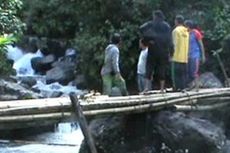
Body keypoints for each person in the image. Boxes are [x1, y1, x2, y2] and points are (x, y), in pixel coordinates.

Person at [139, 10, 172, 92]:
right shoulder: (167, 26)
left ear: (155, 16)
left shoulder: (151, 24)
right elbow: (170, 40)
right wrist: (171, 52)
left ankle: (146, 88)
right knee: (162, 68)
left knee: (149, 68)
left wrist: (146, 40)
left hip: (152, 49)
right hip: (163, 50)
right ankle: (161, 88)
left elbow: (141, 28)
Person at [184, 20, 205, 90]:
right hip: (188, 55)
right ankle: (190, 86)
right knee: (189, 72)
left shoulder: (196, 33)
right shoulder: (186, 33)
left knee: (194, 71)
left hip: (195, 55)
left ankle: (197, 87)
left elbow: (201, 45)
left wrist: (203, 55)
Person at [171, 15, 189, 91]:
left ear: (176, 21)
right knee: (183, 74)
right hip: (184, 57)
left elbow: (174, 44)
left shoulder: (176, 31)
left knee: (176, 74)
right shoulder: (186, 31)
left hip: (177, 56)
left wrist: (171, 54)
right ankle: (183, 87)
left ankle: (176, 88)